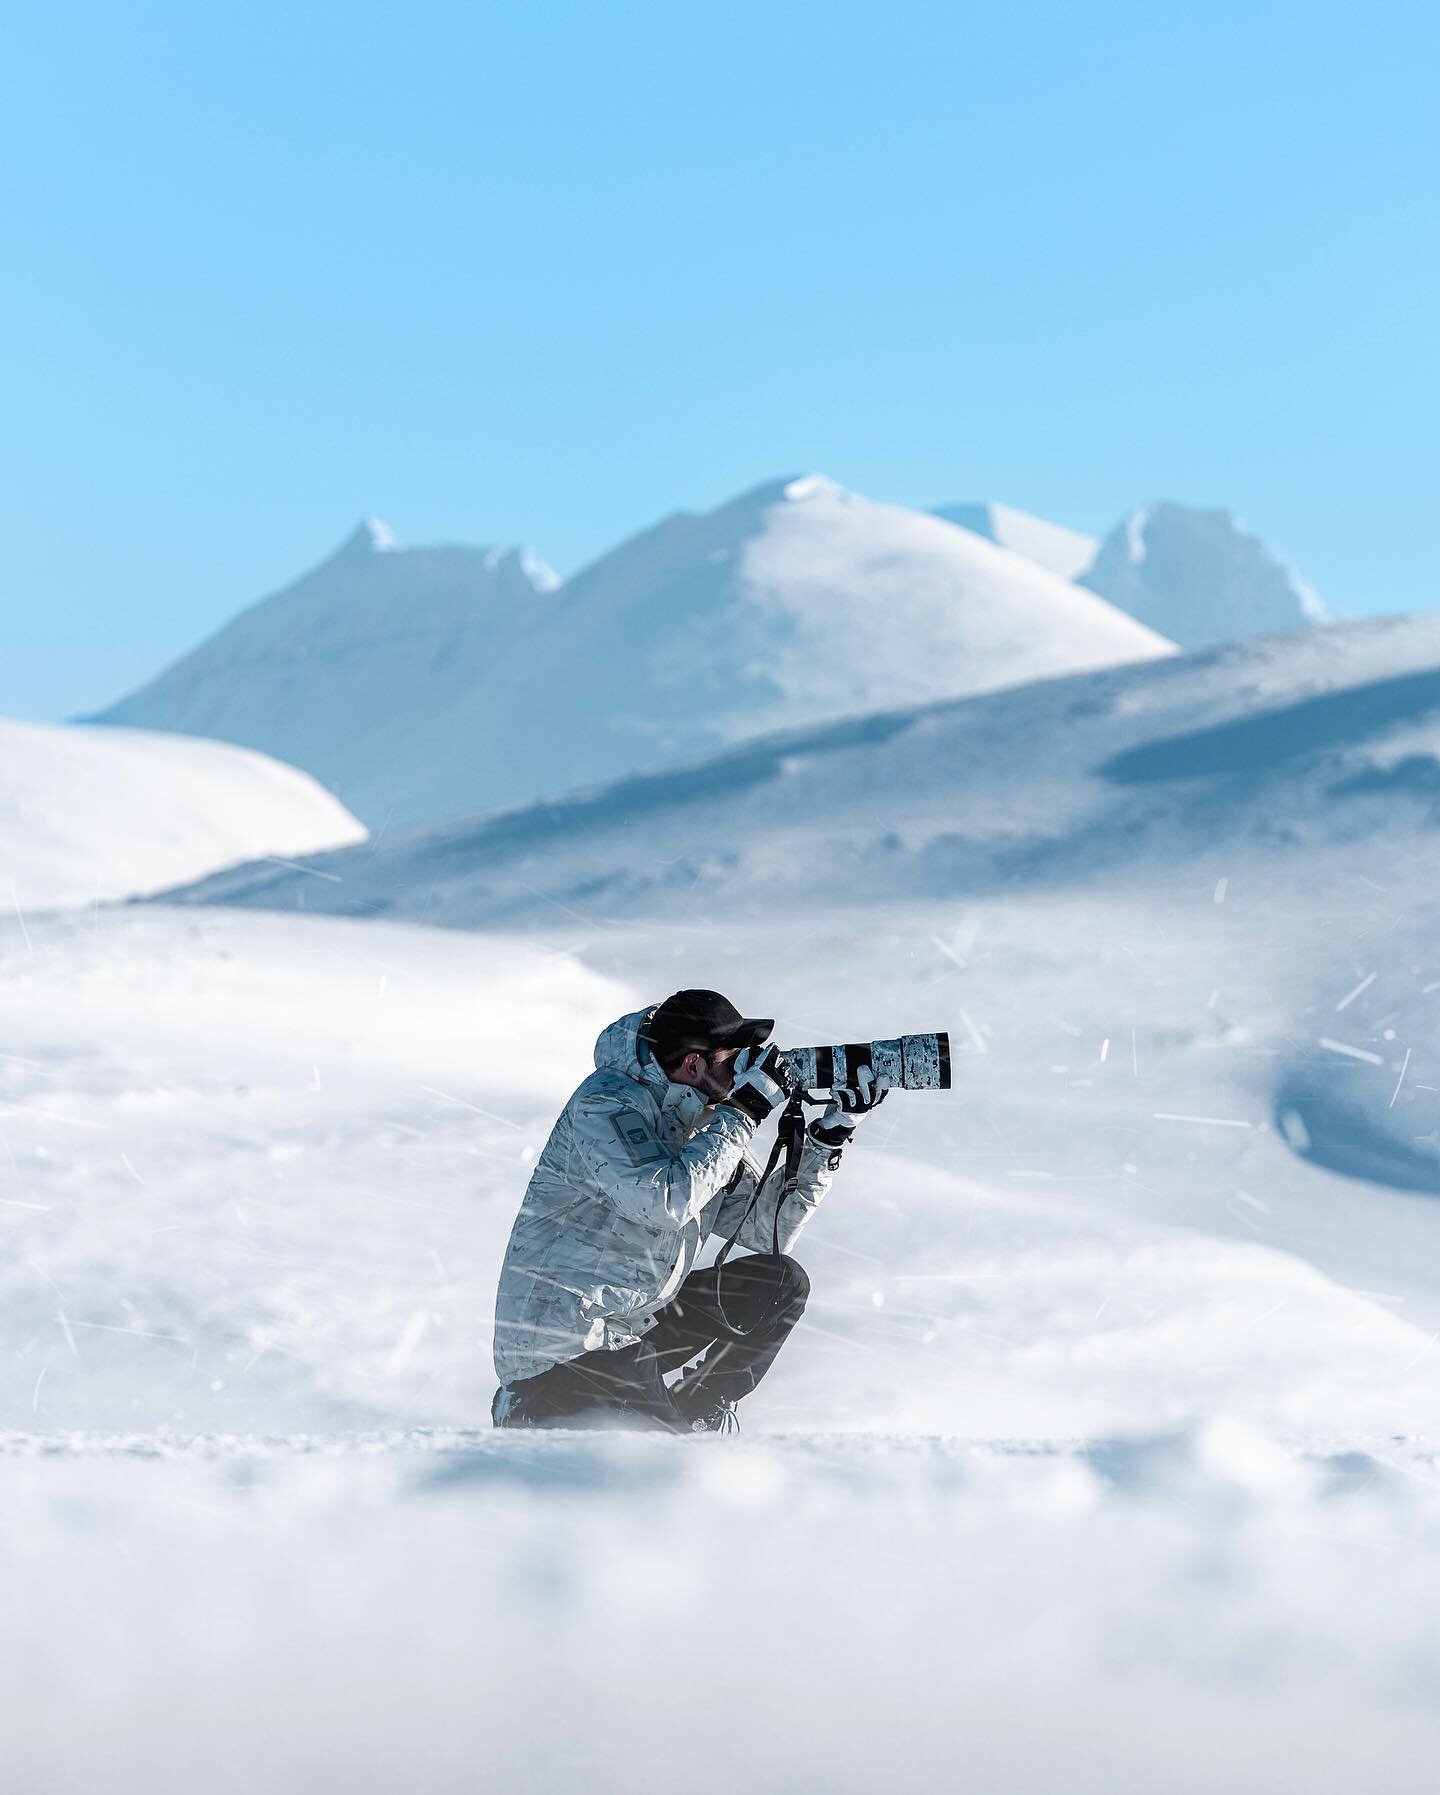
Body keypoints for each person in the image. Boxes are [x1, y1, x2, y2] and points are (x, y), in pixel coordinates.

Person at [490, 989, 884, 1433]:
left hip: (632, 1331)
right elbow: (663, 1201)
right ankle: (551, 1412)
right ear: (694, 1064)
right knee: (669, 1472)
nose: (745, 1069)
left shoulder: (705, 1120)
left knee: (779, 1283)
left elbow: (765, 1228)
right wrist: (745, 1111)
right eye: (734, 1057)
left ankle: (694, 1411)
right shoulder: (605, 1104)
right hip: (564, 1348)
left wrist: (830, 1136)